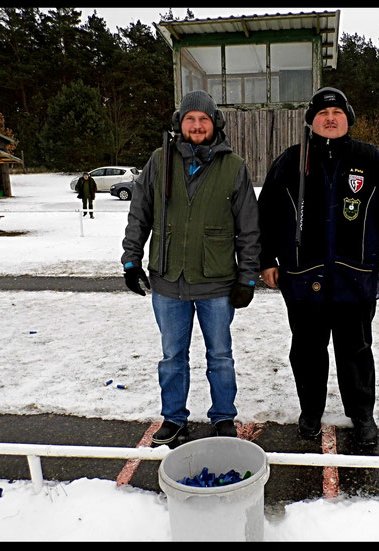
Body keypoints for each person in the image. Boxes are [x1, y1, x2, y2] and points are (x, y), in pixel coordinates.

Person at [258, 87, 379, 447]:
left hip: (354, 278)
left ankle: (361, 415)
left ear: (348, 119)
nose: (330, 118)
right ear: (311, 120)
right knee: (307, 350)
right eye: (323, 113)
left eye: (338, 113)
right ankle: (310, 411)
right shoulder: (290, 160)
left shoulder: (370, 159)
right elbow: (266, 215)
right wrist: (266, 259)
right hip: (302, 277)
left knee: (355, 351)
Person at [121, 90, 261, 446]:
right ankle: (174, 418)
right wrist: (131, 259)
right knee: (172, 356)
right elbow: (140, 214)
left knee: (220, 355)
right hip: (168, 281)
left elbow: (249, 227)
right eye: (190, 119)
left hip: (216, 283)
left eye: (203, 119)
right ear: (179, 124)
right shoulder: (159, 160)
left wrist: (247, 276)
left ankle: (224, 417)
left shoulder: (234, 166)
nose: (197, 125)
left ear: (215, 123)